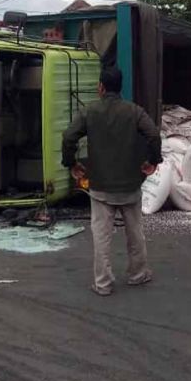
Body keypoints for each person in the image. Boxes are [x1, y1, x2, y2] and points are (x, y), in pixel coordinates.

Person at [62, 67, 162, 297]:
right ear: (120, 87)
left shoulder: (89, 111)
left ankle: (103, 283)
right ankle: (138, 274)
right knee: (135, 231)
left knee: (101, 235)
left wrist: (72, 164)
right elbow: (154, 135)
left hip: (100, 186)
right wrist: (152, 161)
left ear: (101, 87)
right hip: (130, 184)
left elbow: (69, 137)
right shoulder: (134, 111)